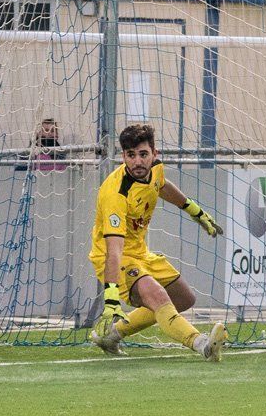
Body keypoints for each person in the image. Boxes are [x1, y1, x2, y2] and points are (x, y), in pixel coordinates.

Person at [88, 123, 228, 360]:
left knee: (184, 298)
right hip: (115, 258)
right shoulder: (116, 194)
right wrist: (111, 298)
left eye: (143, 154)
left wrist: (195, 211)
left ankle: (111, 335)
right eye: (130, 155)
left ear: (154, 154)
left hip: (141, 254)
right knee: (159, 297)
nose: (137, 162)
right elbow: (114, 252)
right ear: (123, 156)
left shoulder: (155, 170)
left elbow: (161, 185)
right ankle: (202, 344)